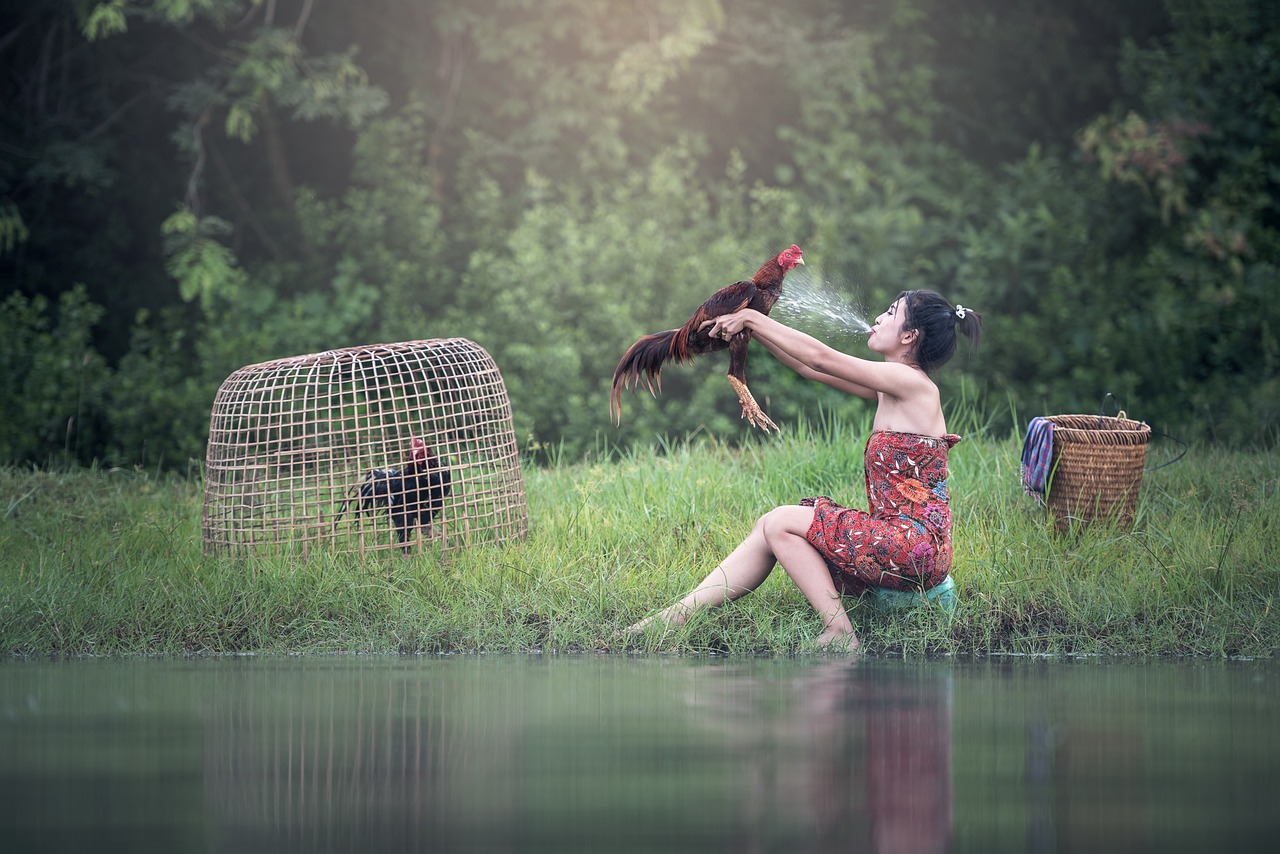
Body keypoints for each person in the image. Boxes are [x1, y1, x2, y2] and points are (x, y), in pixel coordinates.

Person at [627, 289, 983, 649]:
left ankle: (841, 634)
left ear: (909, 336)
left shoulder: (911, 384)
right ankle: (672, 618)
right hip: (898, 542)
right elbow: (808, 367)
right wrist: (754, 331)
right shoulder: (892, 387)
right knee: (770, 526)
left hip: (913, 547)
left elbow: (821, 357)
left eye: (890, 313)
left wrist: (752, 318)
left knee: (782, 520)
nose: (877, 318)